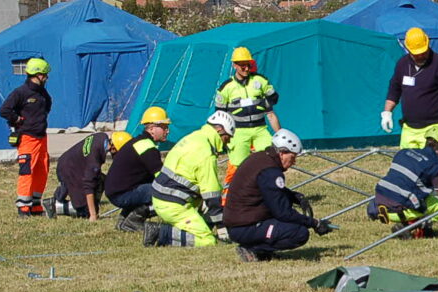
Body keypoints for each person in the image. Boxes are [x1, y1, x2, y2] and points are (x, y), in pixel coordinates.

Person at [223, 129, 335, 262]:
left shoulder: (260, 158)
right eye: (293, 157)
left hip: (238, 223)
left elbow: (267, 189)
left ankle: (261, 250)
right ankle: (255, 250)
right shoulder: (271, 172)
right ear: (282, 153)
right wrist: (314, 223)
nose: (294, 162)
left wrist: (294, 196)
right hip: (245, 227)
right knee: (299, 233)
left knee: (289, 225)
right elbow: (283, 213)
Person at [143, 111, 234, 248]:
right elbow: (212, 196)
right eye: (228, 137)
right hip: (173, 204)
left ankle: (199, 225)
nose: (229, 141)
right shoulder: (206, 153)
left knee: (207, 208)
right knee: (207, 241)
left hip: (161, 196)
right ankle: (160, 233)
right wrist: (221, 228)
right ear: (220, 130)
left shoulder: (195, 137)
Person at [370, 125, 438, 238]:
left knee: (416, 191)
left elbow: (416, 173)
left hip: (379, 200)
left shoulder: (404, 152)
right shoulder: (435, 166)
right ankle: (414, 224)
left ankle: (411, 225)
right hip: (400, 210)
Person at [381, 27, 438, 148]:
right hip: (409, 128)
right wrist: (387, 112)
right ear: (408, 49)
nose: (420, 56)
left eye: (423, 52)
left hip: (434, 127)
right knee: (407, 162)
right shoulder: (402, 64)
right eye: (416, 54)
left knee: (432, 164)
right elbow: (394, 89)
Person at [215, 46, 280, 183]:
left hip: (260, 129)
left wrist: (280, 135)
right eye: (242, 65)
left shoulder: (260, 80)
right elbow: (220, 117)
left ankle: (269, 195)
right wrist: (221, 140)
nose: (246, 68)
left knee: (270, 160)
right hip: (238, 131)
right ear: (234, 65)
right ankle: (227, 201)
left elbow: (273, 102)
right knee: (236, 168)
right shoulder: (226, 87)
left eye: (248, 65)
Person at [0, 57, 53, 216]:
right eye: (45, 75)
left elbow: (47, 106)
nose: (46, 78)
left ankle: (36, 205)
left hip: (42, 138)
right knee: (27, 171)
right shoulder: (20, 92)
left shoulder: (43, 93)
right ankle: (23, 206)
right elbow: (4, 110)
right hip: (27, 138)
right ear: (37, 75)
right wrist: (17, 120)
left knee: (41, 171)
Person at [105, 106, 171, 232]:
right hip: (122, 194)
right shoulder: (147, 147)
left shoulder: (138, 142)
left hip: (115, 192)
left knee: (149, 188)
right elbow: (162, 179)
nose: (167, 131)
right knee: (166, 192)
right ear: (151, 129)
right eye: (164, 127)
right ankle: (133, 221)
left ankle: (123, 220)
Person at [44, 131, 131, 220]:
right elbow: (88, 185)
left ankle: (64, 191)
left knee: (102, 180)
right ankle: (54, 205)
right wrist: (92, 214)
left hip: (70, 163)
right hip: (68, 170)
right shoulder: (94, 158)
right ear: (113, 148)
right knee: (84, 211)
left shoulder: (101, 137)